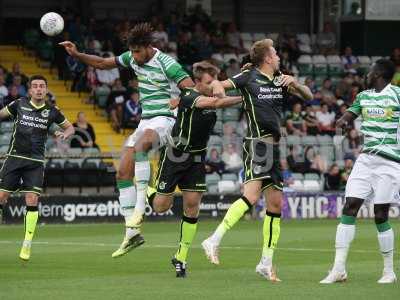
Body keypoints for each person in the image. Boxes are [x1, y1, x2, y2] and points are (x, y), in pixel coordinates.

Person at [60, 22, 194, 258]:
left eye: (136, 51)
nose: (133, 56)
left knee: (142, 144)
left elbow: (191, 89)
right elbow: (102, 63)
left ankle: (140, 209)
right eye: (130, 52)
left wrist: (179, 101)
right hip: (146, 121)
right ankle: (131, 233)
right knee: (122, 172)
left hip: (166, 119)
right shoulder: (133, 58)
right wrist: (77, 53)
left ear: (147, 47)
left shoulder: (167, 64)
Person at [201, 38, 313, 281]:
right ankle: (213, 239)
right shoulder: (248, 76)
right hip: (257, 143)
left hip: (274, 148)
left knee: (275, 205)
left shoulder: (280, 79)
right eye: (275, 53)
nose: (279, 57)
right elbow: (219, 84)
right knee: (251, 196)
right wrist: (219, 88)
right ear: (267, 58)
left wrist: (296, 83)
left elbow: (308, 96)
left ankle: (266, 262)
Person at [146, 61, 242, 277]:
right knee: (161, 207)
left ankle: (181, 257)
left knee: (192, 206)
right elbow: (216, 104)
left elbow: (220, 95)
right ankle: (145, 190)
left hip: (197, 158)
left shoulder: (206, 95)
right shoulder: (190, 96)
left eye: (214, 81)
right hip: (175, 156)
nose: (212, 85)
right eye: (209, 82)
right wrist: (245, 98)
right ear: (198, 82)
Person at [320, 59, 400, 284]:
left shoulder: (397, 94)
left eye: (371, 70)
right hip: (365, 160)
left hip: (390, 164)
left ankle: (388, 272)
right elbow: (349, 116)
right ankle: (338, 269)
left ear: (379, 74)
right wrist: (342, 121)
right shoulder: (363, 96)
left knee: (380, 214)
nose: (367, 74)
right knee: (350, 207)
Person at [0, 75, 74, 261]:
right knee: (1, 197)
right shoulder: (19, 104)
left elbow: (70, 128)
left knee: (32, 199)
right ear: (30, 90)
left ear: (46, 89)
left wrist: (64, 133)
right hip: (14, 158)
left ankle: (27, 243)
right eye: (35, 86)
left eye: (42, 86)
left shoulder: (52, 111)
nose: (39, 89)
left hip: (35, 162)